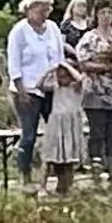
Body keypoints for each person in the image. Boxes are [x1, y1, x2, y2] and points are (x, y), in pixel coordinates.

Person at [5, 0, 65, 193]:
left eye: (48, 11)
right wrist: (21, 91)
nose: (45, 15)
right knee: (29, 134)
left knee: (57, 132)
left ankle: (57, 175)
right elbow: (14, 64)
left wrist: (60, 80)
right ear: (30, 9)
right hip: (27, 90)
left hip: (51, 88)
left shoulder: (53, 29)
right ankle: (25, 175)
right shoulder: (19, 31)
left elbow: (59, 58)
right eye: (41, 10)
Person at [76, 0, 112, 190]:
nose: (106, 16)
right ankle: (96, 173)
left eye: (109, 12)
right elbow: (82, 63)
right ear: (96, 15)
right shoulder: (89, 38)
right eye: (102, 13)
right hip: (97, 93)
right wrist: (104, 66)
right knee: (97, 133)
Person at [40, 61, 86, 196]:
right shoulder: (55, 87)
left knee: (69, 158)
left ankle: (66, 187)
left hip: (71, 125)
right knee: (49, 156)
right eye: (60, 76)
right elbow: (39, 85)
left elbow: (80, 79)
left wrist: (67, 66)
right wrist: (50, 70)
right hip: (56, 124)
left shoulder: (76, 88)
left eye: (65, 76)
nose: (62, 79)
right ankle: (42, 186)